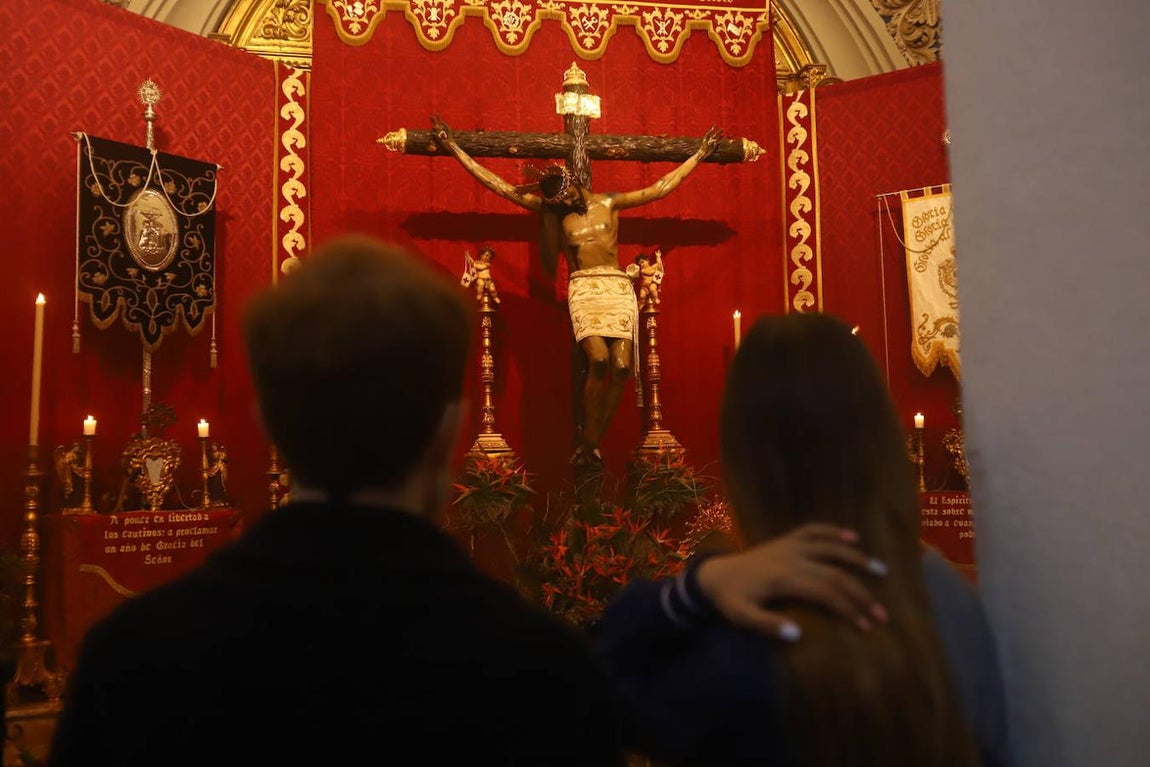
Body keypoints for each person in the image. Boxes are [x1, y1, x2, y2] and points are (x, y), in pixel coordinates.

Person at [47, 236, 886, 767]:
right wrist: (693, 589)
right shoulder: (536, 669)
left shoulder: (132, 658)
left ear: (266, 418)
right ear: (453, 427)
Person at [593, 312, 1010, 767]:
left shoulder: (735, 633)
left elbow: (588, 692)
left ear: (743, 461)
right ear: (880, 438)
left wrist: (698, 585)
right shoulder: (944, 596)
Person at [432, 116, 721, 467]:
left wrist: (699, 156)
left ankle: (592, 442)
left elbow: (658, 188)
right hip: (584, 288)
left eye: (566, 191)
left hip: (616, 287)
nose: (565, 199)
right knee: (598, 359)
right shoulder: (557, 215)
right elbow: (500, 186)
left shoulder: (609, 203)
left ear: (572, 180)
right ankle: (589, 440)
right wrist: (455, 149)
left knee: (621, 366)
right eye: (558, 199)